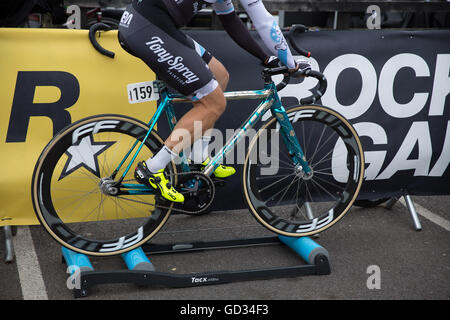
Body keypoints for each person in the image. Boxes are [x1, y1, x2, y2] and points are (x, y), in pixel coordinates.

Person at [118, 0, 310, 203]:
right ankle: (153, 168)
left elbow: (231, 22)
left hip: (153, 24)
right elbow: (263, 22)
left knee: (220, 76)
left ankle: (199, 158)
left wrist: (265, 58)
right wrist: (291, 64)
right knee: (213, 103)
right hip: (149, 27)